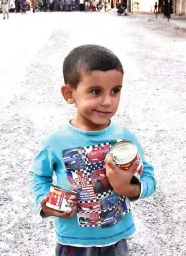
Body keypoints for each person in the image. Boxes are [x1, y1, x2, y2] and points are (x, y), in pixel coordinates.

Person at [30, 44, 156, 256]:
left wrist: (129, 188)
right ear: (69, 93)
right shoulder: (56, 141)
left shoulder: (125, 139)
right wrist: (45, 203)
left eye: (115, 91)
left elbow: (149, 178)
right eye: (95, 91)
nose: (108, 102)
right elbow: (38, 176)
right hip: (73, 243)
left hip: (116, 241)